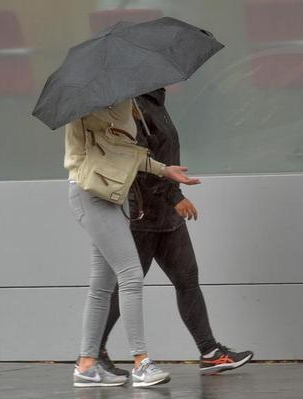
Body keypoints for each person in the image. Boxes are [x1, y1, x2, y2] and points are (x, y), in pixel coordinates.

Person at [94, 88, 254, 376]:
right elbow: (139, 165)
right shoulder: (135, 108)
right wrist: (174, 197)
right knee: (127, 286)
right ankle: (93, 353)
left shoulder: (156, 103)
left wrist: (171, 198)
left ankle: (210, 352)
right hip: (143, 214)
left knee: (187, 279)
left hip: (166, 215)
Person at [66, 98, 200, 388]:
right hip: (91, 194)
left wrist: (165, 170)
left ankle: (87, 366)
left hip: (113, 194)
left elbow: (127, 155)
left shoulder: (124, 104)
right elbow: (113, 151)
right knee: (131, 274)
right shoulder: (85, 108)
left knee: (101, 285)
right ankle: (141, 362)